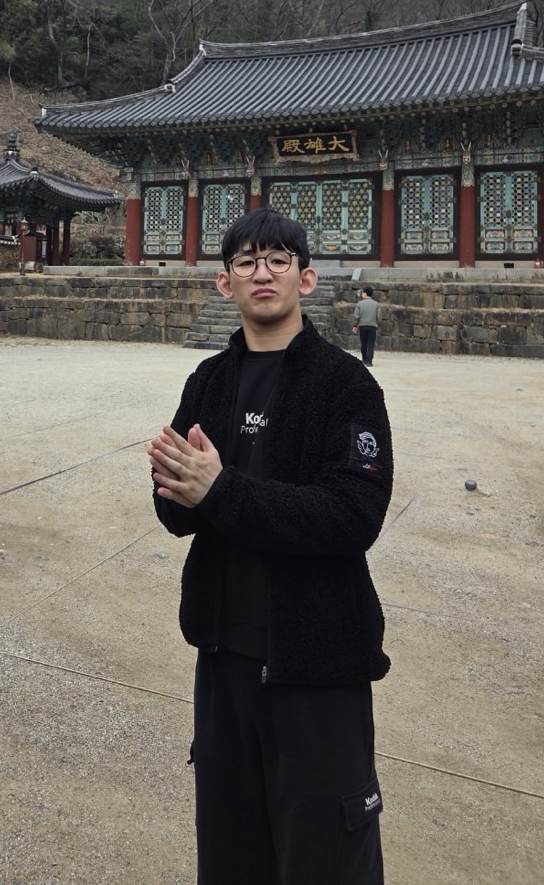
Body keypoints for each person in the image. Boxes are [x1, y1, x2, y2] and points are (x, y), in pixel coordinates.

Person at [148, 208, 392, 885]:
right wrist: (178, 489)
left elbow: (353, 515)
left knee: (325, 856)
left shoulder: (345, 385)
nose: (263, 272)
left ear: (305, 279)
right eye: (247, 261)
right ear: (224, 283)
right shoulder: (207, 382)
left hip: (316, 664)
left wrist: (218, 490)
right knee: (230, 851)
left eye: (279, 259)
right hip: (223, 656)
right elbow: (175, 513)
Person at [352, 285, 381, 366]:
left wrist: (355, 325)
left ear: (365, 293)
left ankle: (364, 359)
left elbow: (356, 316)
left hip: (362, 326)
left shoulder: (360, 304)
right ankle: (369, 360)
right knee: (370, 343)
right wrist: (377, 323)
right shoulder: (376, 304)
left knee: (363, 343)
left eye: (362, 293)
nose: (362, 294)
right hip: (372, 326)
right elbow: (379, 317)